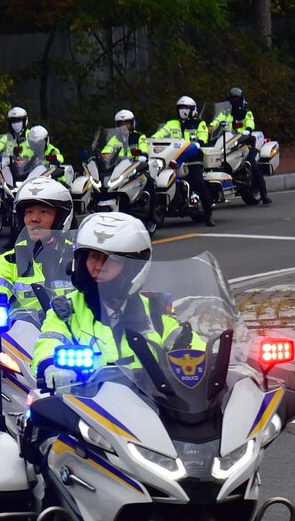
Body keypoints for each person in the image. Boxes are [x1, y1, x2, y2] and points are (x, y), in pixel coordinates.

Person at [31, 212, 187, 391]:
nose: (99, 267)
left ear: (132, 268)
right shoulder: (65, 311)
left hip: (149, 402)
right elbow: (48, 342)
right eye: (93, 257)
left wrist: (204, 360)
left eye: (111, 260)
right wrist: (51, 365)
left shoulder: (155, 311)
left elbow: (188, 347)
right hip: (87, 402)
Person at [0, 178, 75, 316]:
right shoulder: (10, 261)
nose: (34, 219)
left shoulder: (77, 257)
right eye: (29, 212)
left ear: (61, 218)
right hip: (24, 329)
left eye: (44, 212)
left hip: (73, 328)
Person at [151, 96, 214, 226]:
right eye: (180, 108)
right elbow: (159, 134)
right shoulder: (172, 123)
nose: (183, 111)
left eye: (186, 108)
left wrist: (198, 142)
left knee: (199, 183)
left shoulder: (199, 123)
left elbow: (203, 135)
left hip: (192, 159)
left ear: (193, 110)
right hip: (173, 158)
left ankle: (208, 215)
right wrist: (152, 140)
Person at [210, 88, 270, 204]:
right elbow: (216, 121)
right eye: (232, 99)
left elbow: (250, 123)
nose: (234, 101)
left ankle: (264, 193)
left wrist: (247, 130)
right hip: (228, 142)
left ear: (241, 100)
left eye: (236, 99)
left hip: (245, 143)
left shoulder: (246, 113)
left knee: (252, 163)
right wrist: (211, 128)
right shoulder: (225, 114)